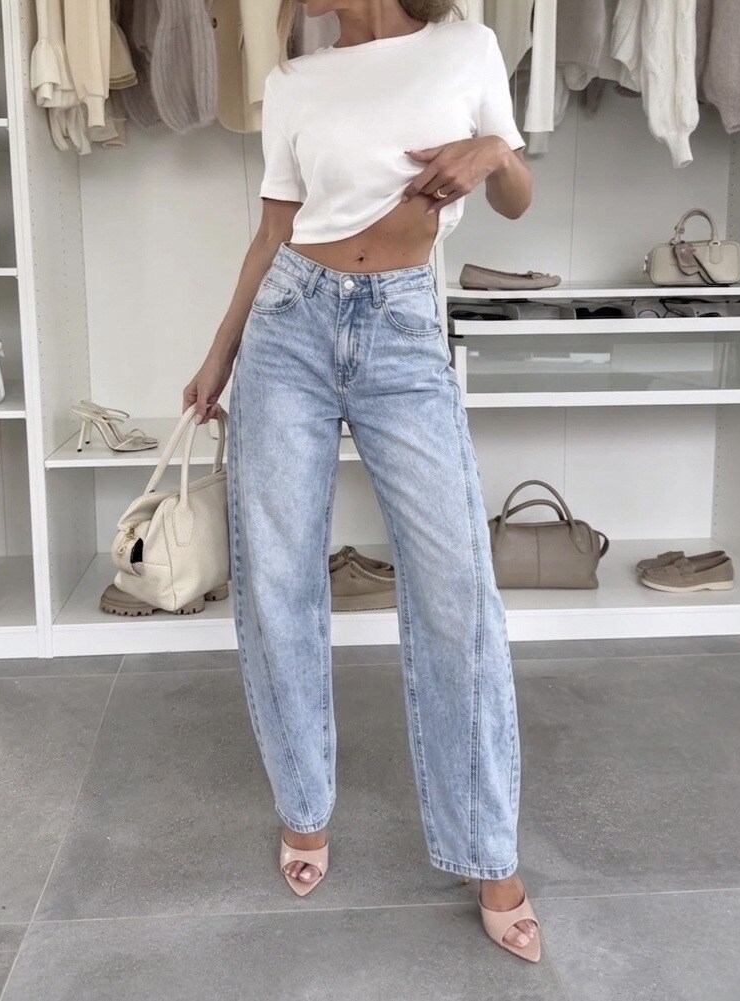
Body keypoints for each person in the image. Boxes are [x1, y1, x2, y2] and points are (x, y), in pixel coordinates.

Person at [183, 0, 539, 963]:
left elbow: (517, 198)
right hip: (288, 327)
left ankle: (489, 851)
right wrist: (220, 353)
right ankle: (303, 807)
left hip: (403, 326)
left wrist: (491, 152)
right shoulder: (294, 81)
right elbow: (272, 232)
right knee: (278, 579)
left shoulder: (465, 46)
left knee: (458, 590)